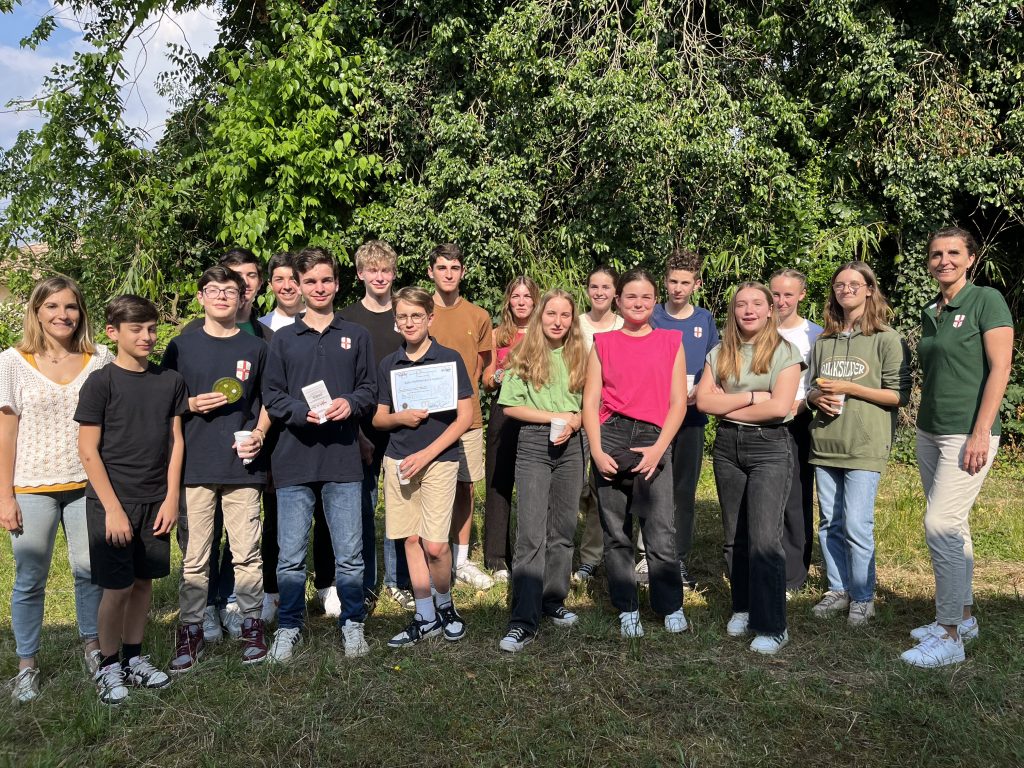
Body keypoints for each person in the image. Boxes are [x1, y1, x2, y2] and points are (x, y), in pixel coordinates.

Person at [900, 227, 1013, 668]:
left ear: (970, 258)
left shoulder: (986, 300)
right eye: (935, 254)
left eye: (953, 252)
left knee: (941, 524)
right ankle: (963, 618)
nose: (943, 260)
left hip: (967, 433)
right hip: (930, 431)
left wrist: (981, 430)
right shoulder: (932, 310)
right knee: (955, 524)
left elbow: (1000, 368)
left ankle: (948, 636)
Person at [0, 276, 112, 704]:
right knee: (30, 577)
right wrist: (5, 496)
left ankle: (94, 648)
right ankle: (27, 664)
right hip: (31, 487)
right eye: (52, 306)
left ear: (81, 312)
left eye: (70, 306)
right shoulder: (12, 362)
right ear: (37, 311)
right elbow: (6, 434)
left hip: (88, 484)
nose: (62, 315)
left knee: (89, 571)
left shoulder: (99, 358)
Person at [262, 247, 377, 661]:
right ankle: (289, 626)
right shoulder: (282, 339)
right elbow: (271, 394)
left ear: (338, 283)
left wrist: (351, 402)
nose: (319, 287)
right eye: (310, 281)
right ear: (298, 286)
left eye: (326, 280)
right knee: (290, 557)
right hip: (293, 460)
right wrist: (299, 412)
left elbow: (370, 389)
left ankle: (352, 622)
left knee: (350, 555)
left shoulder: (357, 336)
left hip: (343, 459)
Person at [74, 295, 188, 703]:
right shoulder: (100, 382)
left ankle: (135, 658)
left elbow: (176, 442)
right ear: (113, 332)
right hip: (112, 503)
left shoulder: (170, 381)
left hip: (156, 500)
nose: (147, 336)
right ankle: (108, 665)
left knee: (142, 584)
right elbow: (88, 450)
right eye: (136, 329)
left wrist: (171, 498)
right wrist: (113, 509)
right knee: (117, 587)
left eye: (152, 329)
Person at [162, 266, 272, 672]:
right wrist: (189, 404)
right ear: (200, 297)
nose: (222, 296)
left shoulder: (256, 347)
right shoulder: (180, 346)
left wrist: (259, 433)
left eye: (230, 290)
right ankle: (190, 629)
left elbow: (268, 400)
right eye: (214, 289)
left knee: (247, 553)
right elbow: (165, 401)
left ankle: (251, 625)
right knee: (195, 556)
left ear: (243, 297)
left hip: (242, 465)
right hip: (195, 465)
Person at [696, 282, 803, 655]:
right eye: (741, 304)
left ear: (770, 310)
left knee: (764, 539)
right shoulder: (719, 352)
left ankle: (773, 625)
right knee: (734, 536)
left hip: (769, 447)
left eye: (757, 303)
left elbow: (779, 408)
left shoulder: (785, 353)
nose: (749, 310)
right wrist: (753, 396)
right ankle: (742, 606)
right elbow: (704, 403)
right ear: (733, 311)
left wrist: (728, 404)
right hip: (727, 447)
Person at [582, 268, 688, 638]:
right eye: (631, 296)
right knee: (615, 530)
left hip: (653, 437)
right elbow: (590, 401)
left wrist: (660, 449)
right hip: (612, 435)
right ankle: (627, 606)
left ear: (655, 301)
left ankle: (669, 603)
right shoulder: (603, 343)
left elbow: (678, 403)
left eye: (645, 297)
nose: (638, 303)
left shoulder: (671, 342)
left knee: (660, 529)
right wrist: (596, 451)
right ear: (618, 300)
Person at [806, 261, 910, 626]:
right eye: (839, 284)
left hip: (865, 444)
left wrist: (851, 388)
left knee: (856, 524)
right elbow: (810, 388)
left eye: (854, 284)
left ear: (869, 289)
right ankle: (838, 589)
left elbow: (898, 395)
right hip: (825, 443)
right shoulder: (824, 341)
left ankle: (863, 597)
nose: (846, 289)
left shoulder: (887, 338)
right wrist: (815, 397)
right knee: (830, 523)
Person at [373, 287, 474, 647]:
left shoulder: (449, 360)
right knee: (411, 539)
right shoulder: (389, 364)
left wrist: (427, 454)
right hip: (399, 461)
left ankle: (446, 604)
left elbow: (465, 417)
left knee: (435, 545)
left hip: (439, 461)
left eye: (417, 315)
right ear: (395, 321)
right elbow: (379, 418)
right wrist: (399, 418)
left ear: (430, 318)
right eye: (402, 316)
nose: (410, 322)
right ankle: (425, 614)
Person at [498, 290, 588, 652]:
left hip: (573, 444)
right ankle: (523, 619)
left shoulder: (581, 355)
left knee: (563, 529)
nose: (558, 321)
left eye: (565, 315)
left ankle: (553, 599)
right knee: (531, 533)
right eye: (551, 313)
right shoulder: (524, 353)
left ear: (572, 320)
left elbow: (591, 403)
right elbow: (510, 406)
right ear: (540, 315)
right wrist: (554, 417)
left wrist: (575, 420)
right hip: (535, 442)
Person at [338, 239, 414, 611]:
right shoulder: (347, 319)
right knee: (364, 508)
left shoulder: (405, 314)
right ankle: (367, 583)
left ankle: (399, 580)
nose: (380, 277)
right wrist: (355, 433)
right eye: (373, 270)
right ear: (360, 274)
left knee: (401, 506)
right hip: (362, 429)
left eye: (386, 270)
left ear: (394, 273)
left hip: (403, 425)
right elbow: (342, 379)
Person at [644, 248, 719, 589]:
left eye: (685, 283)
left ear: (696, 284)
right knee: (649, 486)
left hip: (691, 419)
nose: (678, 288)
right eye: (673, 281)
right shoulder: (652, 316)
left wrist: (701, 389)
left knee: (683, 490)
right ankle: (647, 555)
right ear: (665, 281)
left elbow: (716, 362)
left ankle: (678, 558)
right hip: (654, 418)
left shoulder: (704, 319)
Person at [425, 243, 495, 589]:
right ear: (431, 272)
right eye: (442, 267)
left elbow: (482, 368)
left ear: (463, 272)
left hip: (467, 418)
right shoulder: (419, 311)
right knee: (426, 487)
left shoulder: (478, 316)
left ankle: (461, 559)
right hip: (426, 418)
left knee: (465, 487)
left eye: (454, 268)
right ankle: (430, 557)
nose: (448, 274)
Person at [769, 269, 823, 593]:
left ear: (801, 295)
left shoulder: (815, 335)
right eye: (775, 294)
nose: (781, 301)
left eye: (788, 294)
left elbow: (819, 383)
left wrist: (799, 406)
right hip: (758, 420)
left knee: (795, 497)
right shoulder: (758, 328)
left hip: (796, 421)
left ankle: (793, 575)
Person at [482, 276, 539, 581]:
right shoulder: (497, 335)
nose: (521, 302)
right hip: (503, 411)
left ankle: (530, 552)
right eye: (516, 296)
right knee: (499, 481)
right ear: (508, 301)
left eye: (527, 296)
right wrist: (500, 375)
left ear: (535, 300)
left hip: (536, 411)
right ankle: (496, 556)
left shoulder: (544, 333)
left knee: (534, 485)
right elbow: (486, 380)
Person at [572, 266, 624, 584]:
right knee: (576, 487)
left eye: (606, 287)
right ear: (587, 290)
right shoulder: (575, 324)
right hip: (576, 413)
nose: (600, 292)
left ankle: (590, 557)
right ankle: (560, 545)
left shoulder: (624, 325)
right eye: (594, 286)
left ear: (616, 292)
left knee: (599, 487)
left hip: (611, 418)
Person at [260, 251, 303, 331]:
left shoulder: (321, 320)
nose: (287, 286)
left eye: (293, 279)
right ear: (270, 285)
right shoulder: (261, 328)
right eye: (279, 280)